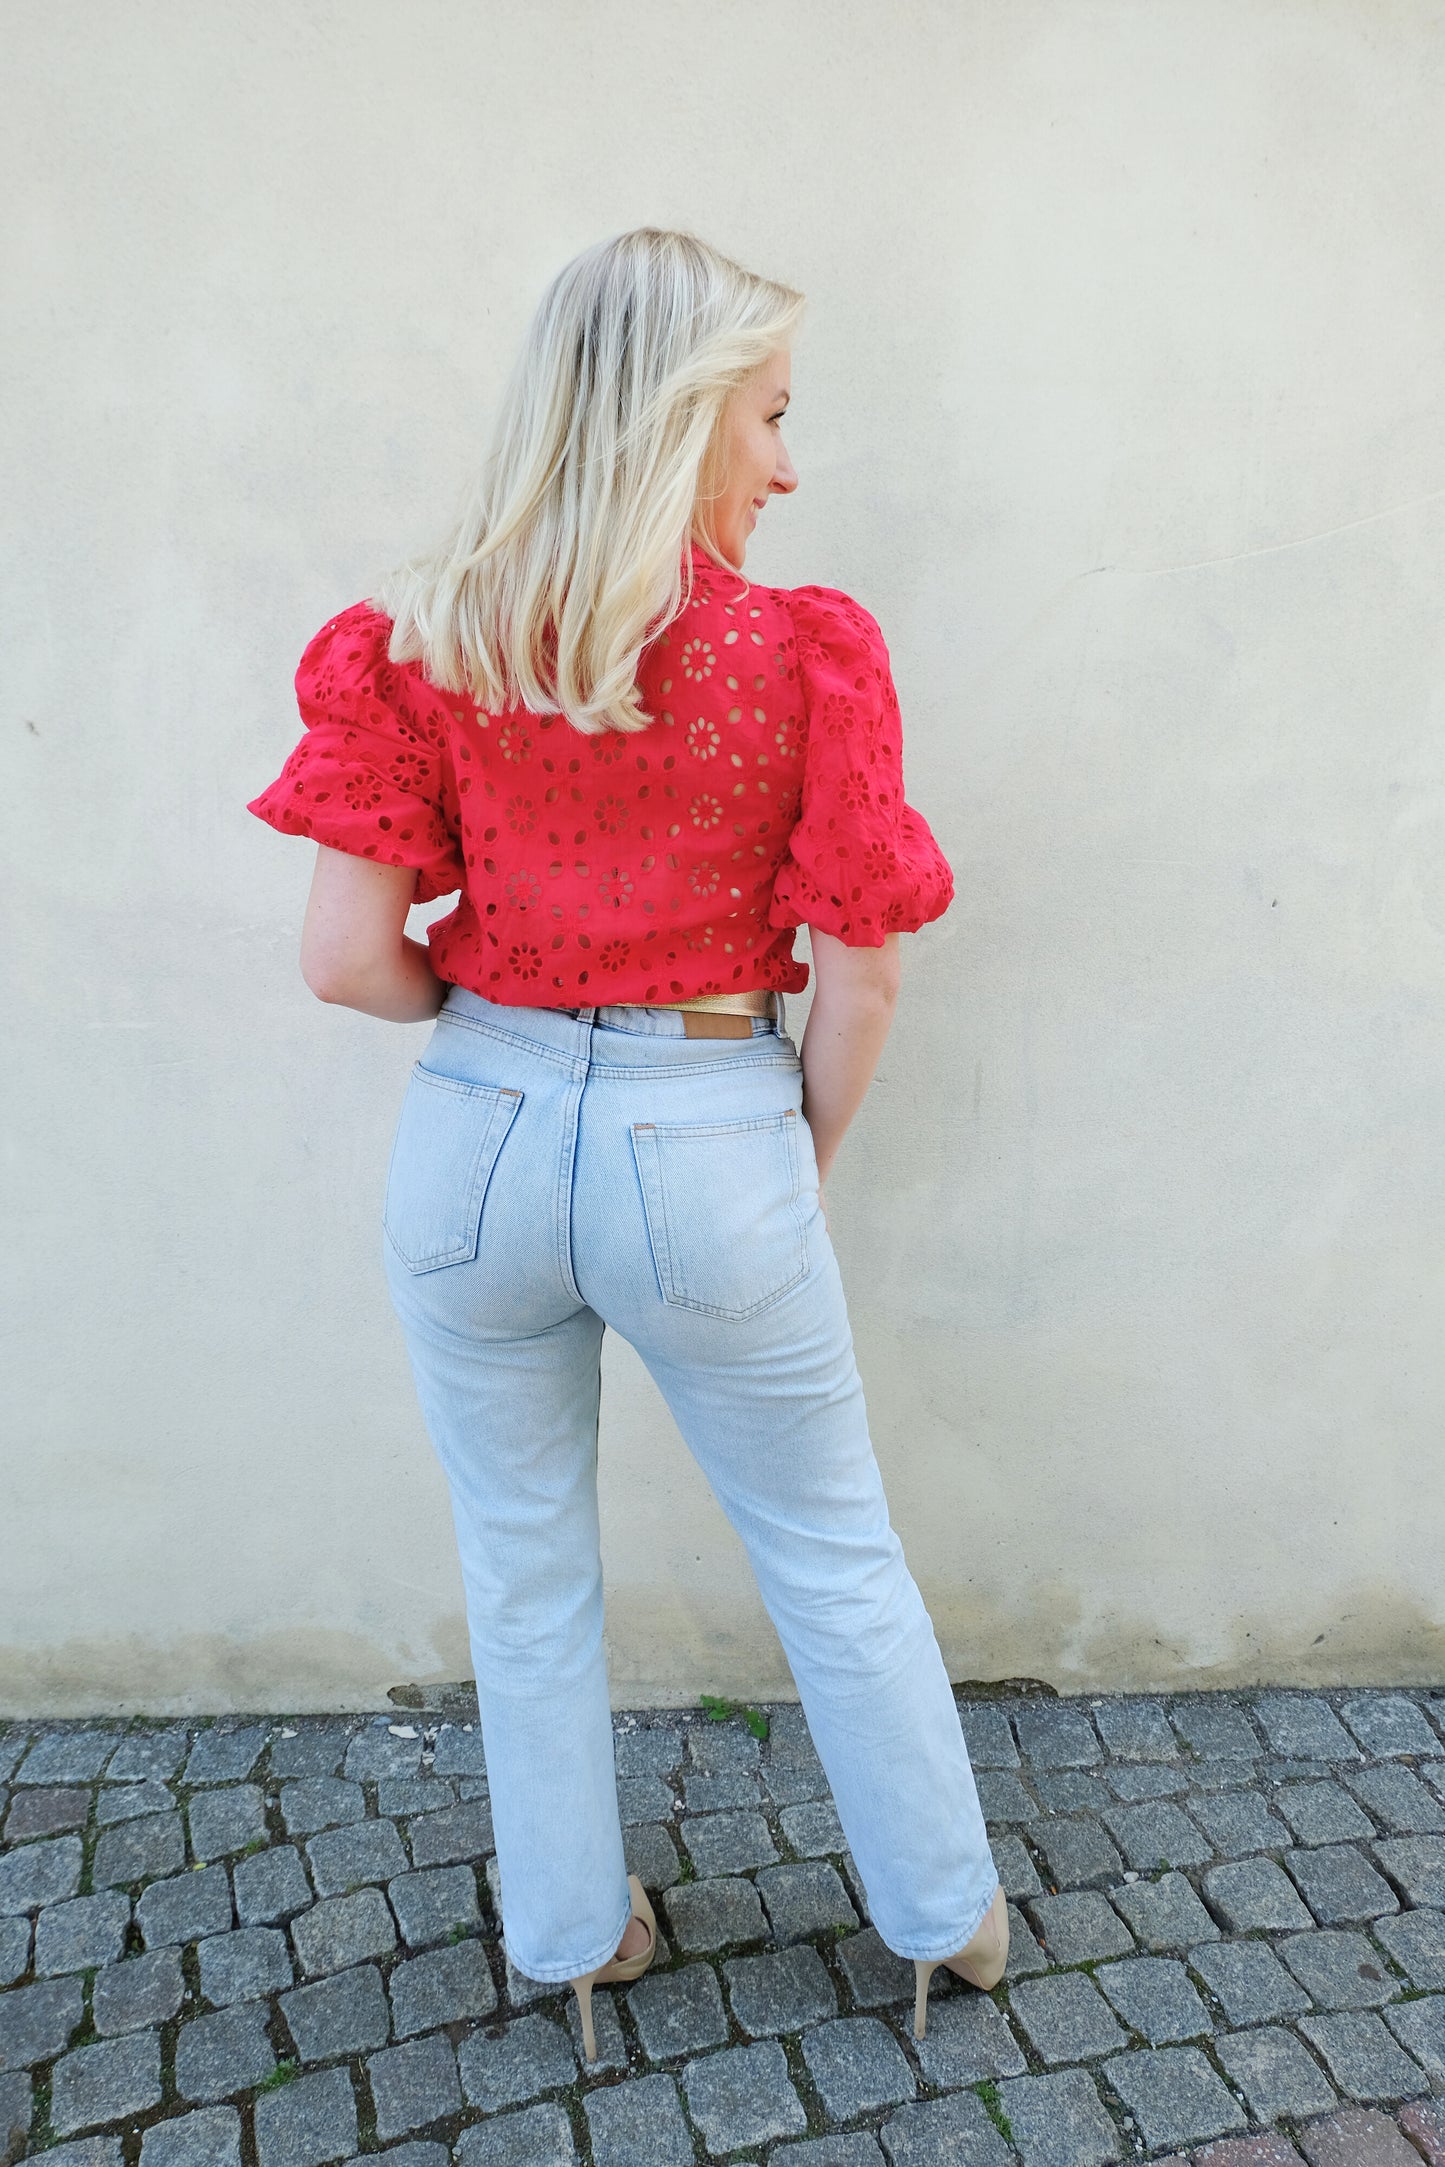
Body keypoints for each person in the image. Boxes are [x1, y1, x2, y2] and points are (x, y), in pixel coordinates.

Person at [247, 226, 1006, 2055]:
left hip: (476, 1141)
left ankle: (572, 1942)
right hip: (709, 1125)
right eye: (768, 414)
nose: (787, 461)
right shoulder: (801, 656)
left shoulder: (419, 645)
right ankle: (938, 1923)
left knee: (522, 1567)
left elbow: (349, 961)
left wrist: (504, 1050)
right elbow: (865, 980)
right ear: (682, 419)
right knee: (829, 1547)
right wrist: (771, 1164)